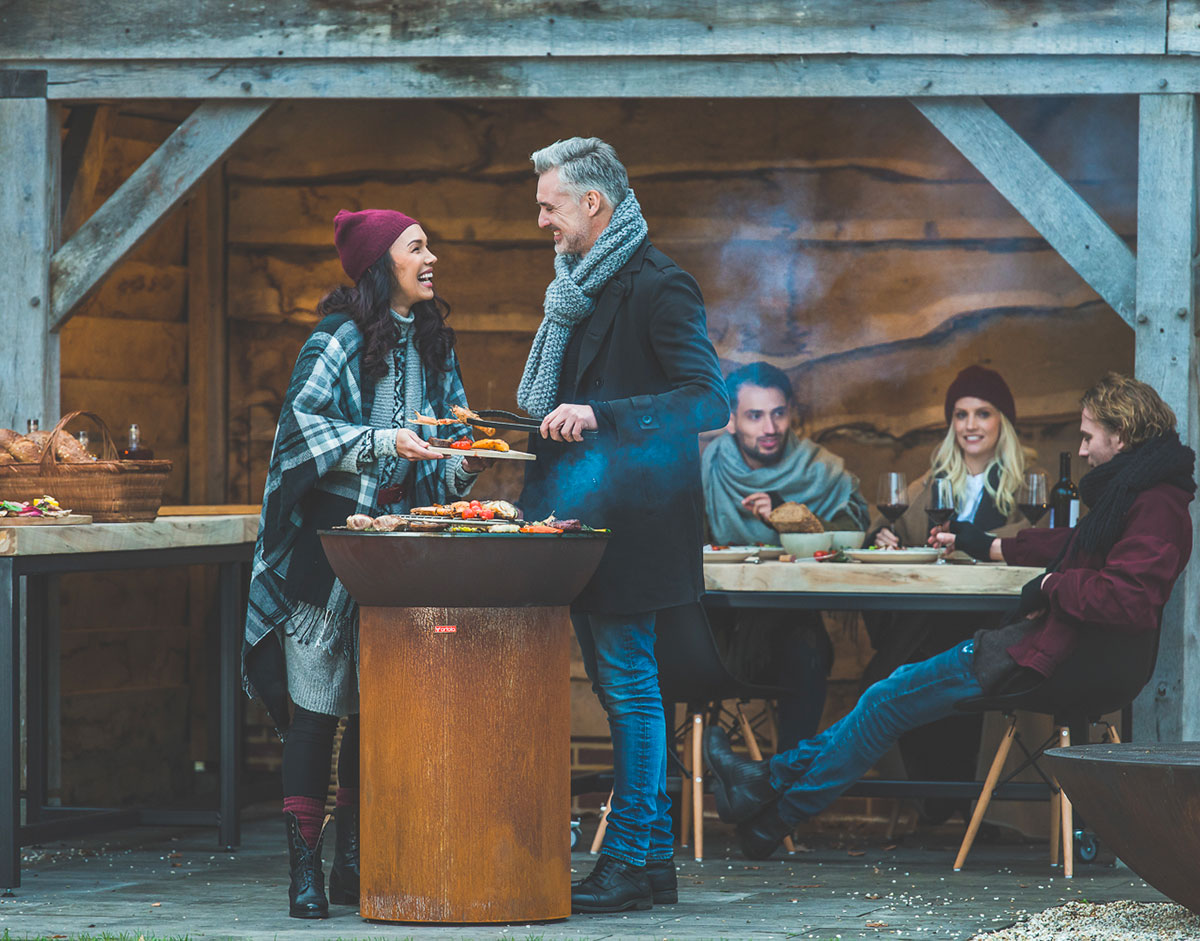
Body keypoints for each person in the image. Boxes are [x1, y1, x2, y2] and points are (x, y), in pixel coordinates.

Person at [704, 372, 1194, 860]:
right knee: (886, 693)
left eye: (1088, 437)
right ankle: (764, 802)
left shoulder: (1156, 505)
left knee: (886, 698)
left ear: (1122, 434)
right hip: (1052, 650)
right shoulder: (1137, 493)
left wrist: (1051, 583)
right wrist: (992, 544)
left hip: (1054, 658)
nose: (1082, 450)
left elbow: (1128, 599)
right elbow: (1075, 543)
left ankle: (769, 801)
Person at [242, 209, 491, 918]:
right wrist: (382, 441)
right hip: (328, 554)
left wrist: (464, 463)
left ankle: (355, 861)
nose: (432, 255)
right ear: (382, 263)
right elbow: (300, 431)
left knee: (377, 714)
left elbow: (449, 448)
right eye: (418, 246)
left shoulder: (437, 345)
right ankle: (305, 873)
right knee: (317, 714)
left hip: (401, 555)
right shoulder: (337, 338)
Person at [516, 138, 728, 912]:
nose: (541, 218)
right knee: (620, 688)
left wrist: (601, 414)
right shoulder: (575, 287)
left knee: (632, 690)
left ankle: (631, 858)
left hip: (636, 528)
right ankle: (653, 860)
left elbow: (710, 402)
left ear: (593, 204)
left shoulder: (660, 285)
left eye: (550, 204)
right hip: (579, 523)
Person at [865, 365, 1031, 823]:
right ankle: (929, 804)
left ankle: (963, 807)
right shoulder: (932, 482)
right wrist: (883, 538)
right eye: (961, 415)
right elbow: (886, 528)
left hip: (995, 623)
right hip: (932, 619)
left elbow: (1034, 541)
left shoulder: (1024, 484)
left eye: (983, 413)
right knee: (886, 678)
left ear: (1003, 421)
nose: (971, 425)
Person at [702, 360, 869, 748]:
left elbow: (854, 535)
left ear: (791, 411)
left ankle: (788, 788)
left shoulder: (821, 469)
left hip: (794, 621)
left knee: (805, 648)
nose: (770, 429)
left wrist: (787, 514)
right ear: (730, 420)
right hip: (722, 624)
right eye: (755, 416)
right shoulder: (705, 469)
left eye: (778, 414)